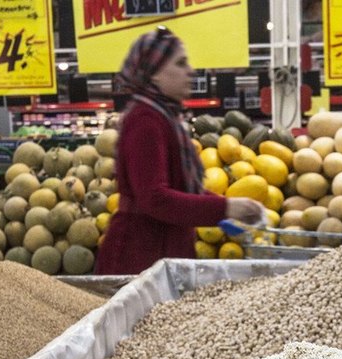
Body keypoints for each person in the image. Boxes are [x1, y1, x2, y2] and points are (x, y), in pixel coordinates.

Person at [94, 27, 265, 275]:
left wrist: (226, 208)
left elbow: (181, 189)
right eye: (181, 63)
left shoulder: (165, 116)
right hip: (139, 257)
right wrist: (226, 208)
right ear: (155, 74)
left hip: (160, 253)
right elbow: (155, 199)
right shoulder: (145, 120)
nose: (190, 71)